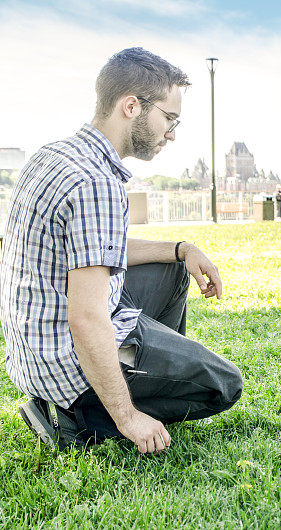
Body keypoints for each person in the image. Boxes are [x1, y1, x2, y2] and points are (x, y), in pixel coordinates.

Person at [0, 48, 243, 454]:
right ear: (131, 106)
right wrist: (128, 418)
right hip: (67, 362)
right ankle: (78, 419)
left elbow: (90, 249)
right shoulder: (97, 183)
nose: (172, 133)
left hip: (32, 356)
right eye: (170, 118)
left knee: (172, 268)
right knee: (224, 384)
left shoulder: (54, 155)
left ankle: (144, 367)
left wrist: (181, 249)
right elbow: (85, 319)